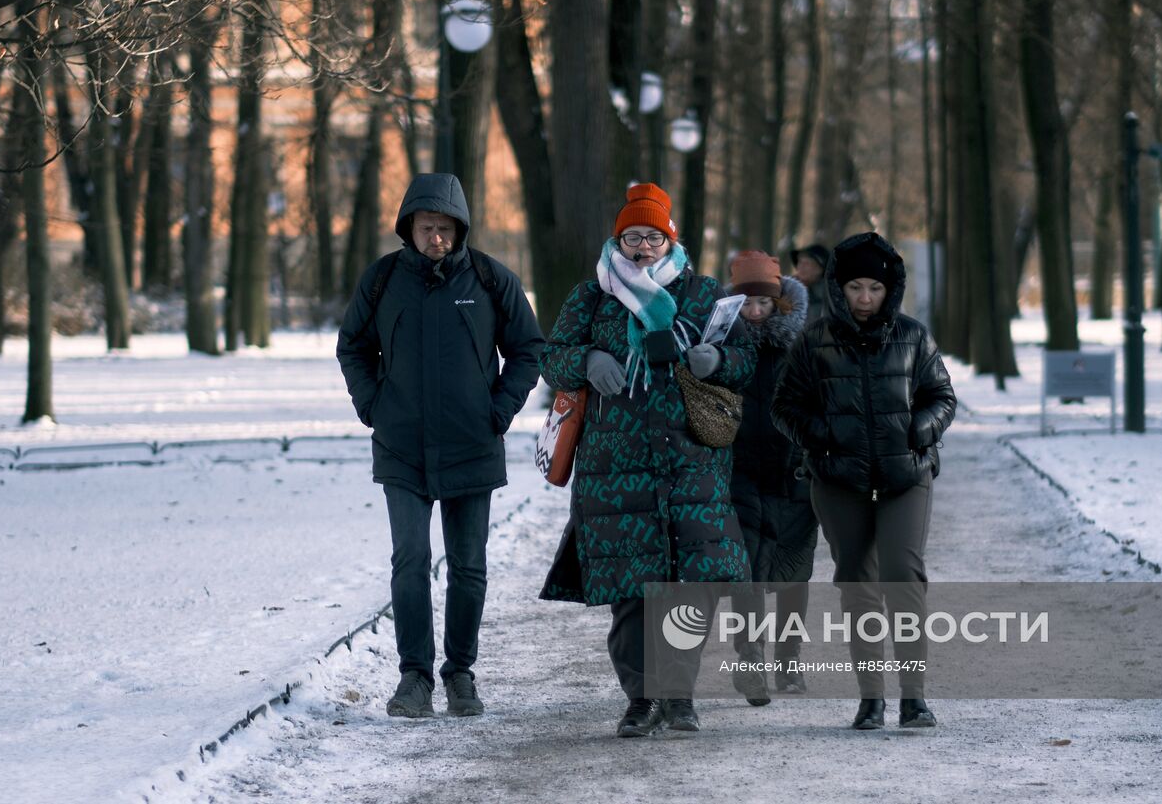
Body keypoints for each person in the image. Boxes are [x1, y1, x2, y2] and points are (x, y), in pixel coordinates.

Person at [539, 182, 756, 738]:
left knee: (689, 588)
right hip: (615, 468)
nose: (641, 247)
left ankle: (678, 697)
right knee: (631, 594)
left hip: (691, 462)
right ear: (618, 240)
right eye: (632, 236)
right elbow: (553, 358)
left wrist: (717, 359)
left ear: (670, 240)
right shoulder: (592, 298)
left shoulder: (703, 294)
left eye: (652, 237)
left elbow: (746, 358)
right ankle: (640, 698)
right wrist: (586, 360)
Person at [337, 173, 544, 720]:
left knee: (469, 565)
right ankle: (414, 677)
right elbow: (352, 347)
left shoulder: (490, 278)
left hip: (473, 445)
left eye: (447, 229)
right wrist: (372, 405)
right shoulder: (382, 280)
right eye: (428, 227)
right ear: (409, 227)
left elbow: (528, 348)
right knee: (410, 560)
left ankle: (460, 675)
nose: (437, 238)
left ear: (461, 229)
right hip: (402, 446)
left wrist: (499, 410)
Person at [771, 231, 956, 731]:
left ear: (889, 287)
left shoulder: (914, 337)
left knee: (902, 576)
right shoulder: (814, 341)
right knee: (857, 586)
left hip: (905, 476)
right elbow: (785, 406)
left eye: (875, 288)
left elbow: (943, 397)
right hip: (837, 479)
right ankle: (871, 698)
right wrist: (825, 436)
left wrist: (918, 431)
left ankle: (914, 698)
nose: (865, 299)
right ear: (839, 288)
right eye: (855, 288)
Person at [724, 251, 817, 705]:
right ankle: (751, 656)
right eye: (745, 304)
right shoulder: (723, 345)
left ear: (780, 302)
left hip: (795, 472)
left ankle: (789, 658)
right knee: (748, 572)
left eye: (763, 303)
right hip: (741, 473)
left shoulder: (805, 344)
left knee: (794, 575)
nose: (755, 312)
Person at [789, 243, 830, 325]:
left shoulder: (829, 295)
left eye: (807, 263)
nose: (801, 266)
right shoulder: (788, 289)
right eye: (800, 262)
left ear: (820, 268)